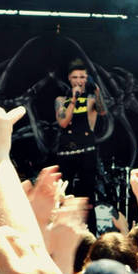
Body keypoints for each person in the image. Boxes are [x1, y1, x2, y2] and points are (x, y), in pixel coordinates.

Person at [54, 58, 107, 202]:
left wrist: (97, 91)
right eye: (75, 77)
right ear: (69, 79)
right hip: (66, 151)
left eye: (82, 77)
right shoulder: (61, 100)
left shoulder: (91, 99)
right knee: (65, 191)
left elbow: (102, 112)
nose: (79, 80)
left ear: (86, 79)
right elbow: (63, 122)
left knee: (87, 194)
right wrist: (73, 99)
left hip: (86, 150)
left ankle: (89, 224)